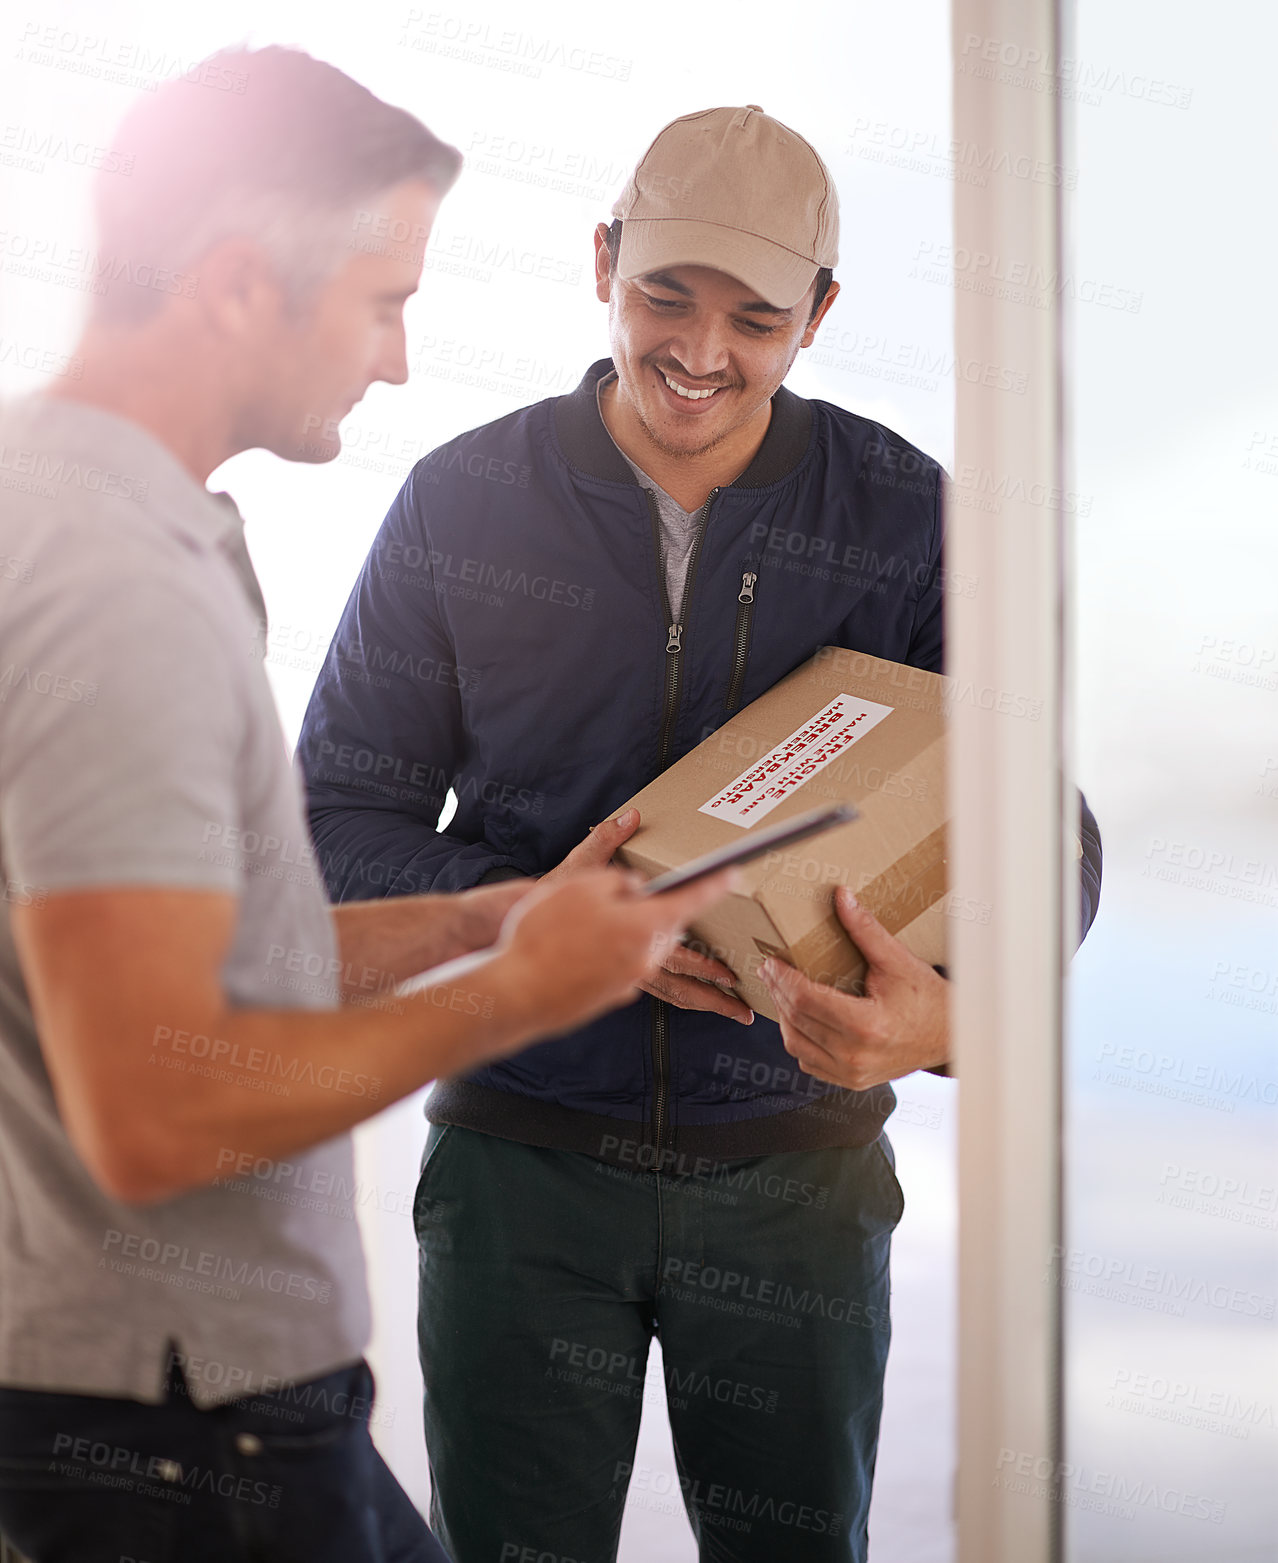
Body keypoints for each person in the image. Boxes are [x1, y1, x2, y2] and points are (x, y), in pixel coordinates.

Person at [299, 106, 1104, 1562]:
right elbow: (334, 825)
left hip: (793, 1176)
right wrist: (532, 908)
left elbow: (1045, 833)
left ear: (820, 317)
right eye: (663, 295)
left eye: (754, 316)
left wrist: (945, 1020)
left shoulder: (901, 512)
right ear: (602, 260)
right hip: (517, 1170)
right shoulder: (459, 503)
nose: (699, 350)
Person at [0, 51, 736, 1563]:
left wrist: (484, 915)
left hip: (173, 1404)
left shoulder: (70, 510)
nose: (398, 358)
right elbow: (157, 1106)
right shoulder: (112, 587)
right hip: (174, 1426)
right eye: (383, 299)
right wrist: (515, 996)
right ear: (232, 284)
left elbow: (189, 977)